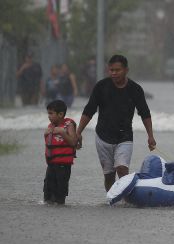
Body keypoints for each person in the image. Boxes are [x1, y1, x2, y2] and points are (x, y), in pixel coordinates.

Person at [76, 55, 157, 192]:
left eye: (117, 70)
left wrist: (150, 136)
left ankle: (126, 200)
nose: (114, 73)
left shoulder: (135, 89)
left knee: (122, 169)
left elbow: (145, 114)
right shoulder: (101, 87)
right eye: (111, 70)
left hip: (124, 137)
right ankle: (112, 200)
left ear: (126, 70)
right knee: (109, 176)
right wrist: (78, 132)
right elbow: (89, 111)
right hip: (103, 136)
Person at [44, 100, 77, 204]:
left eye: (51, 113)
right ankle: (48, 204)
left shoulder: (68, 125)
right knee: (48, 189)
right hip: (52, 164)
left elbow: (73, 142)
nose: (49, 116)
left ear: (61, 114)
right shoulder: (51, 126)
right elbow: (49, 145)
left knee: (60, 190)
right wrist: (45, 134)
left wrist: (63, 133)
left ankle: (60, 205)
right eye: (48, 113)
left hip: (63, 165)